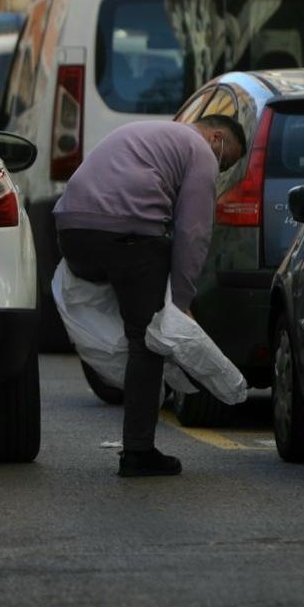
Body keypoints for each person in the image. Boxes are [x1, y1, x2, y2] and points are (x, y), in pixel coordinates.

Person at [53, 115, 246, 478]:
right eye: (226, 161)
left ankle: (122, 384)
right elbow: (194, 232)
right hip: (128, 234)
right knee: (149, 338)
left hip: (72, 232)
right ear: (216, 137)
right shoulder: (200, 151)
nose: (219, 170)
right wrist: (180, 303)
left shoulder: (150, 132)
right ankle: (138, 451)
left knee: (127, 313)